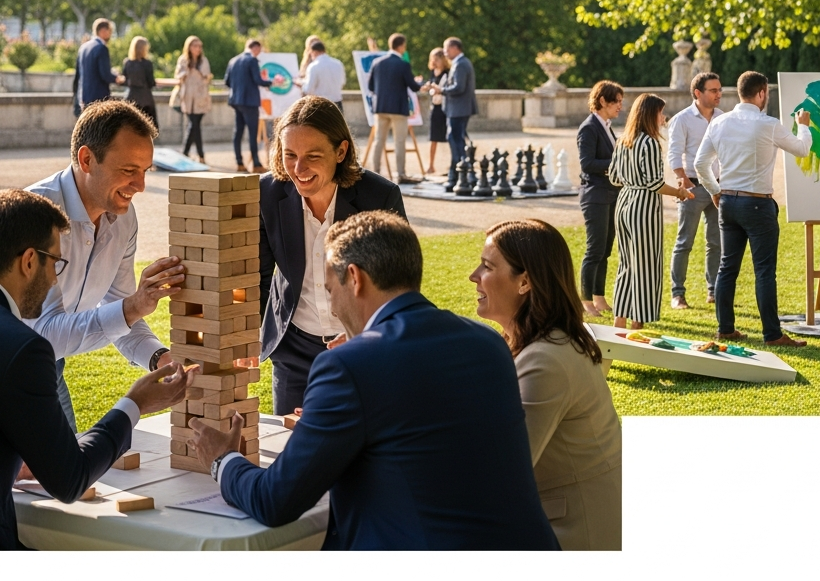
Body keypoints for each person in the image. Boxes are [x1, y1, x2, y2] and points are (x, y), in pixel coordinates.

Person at [189, 211, 559, 551]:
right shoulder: (487, 343)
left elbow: (276, 501)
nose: (333, 308)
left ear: (355, 278)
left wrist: (223, 459)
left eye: (331, 291)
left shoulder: (347, 366)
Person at [1, 187, 191, 550]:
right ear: (28, 261)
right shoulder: (23, 351)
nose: (56, 279)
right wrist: (134, 403)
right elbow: (70, 479)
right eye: (55, 263)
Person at [25, 101, 184, 429]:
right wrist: (132, 307)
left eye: (145, 171)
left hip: (45, 365)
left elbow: (118, 312)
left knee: (62, 473)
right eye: (129, 171)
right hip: (13, 366)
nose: (140, 186)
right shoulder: (34, 217)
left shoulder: (123, 220)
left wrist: (160, 359)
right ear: (86, 159)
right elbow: (42, 335)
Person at [469, 219, 622, 550]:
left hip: (572, 531)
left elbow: (502, 468)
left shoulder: (546, 359)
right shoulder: (538, 341)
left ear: (524, 282)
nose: (474, 277)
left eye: (486, 266)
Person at [258, 96, 407, 415]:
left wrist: (366, 337)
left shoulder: (380, 196)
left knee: (359, 454)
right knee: (292, 452)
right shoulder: (267, 193)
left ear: (341, 151)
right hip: (293, 351)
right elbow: (255, 275)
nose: (299, 169)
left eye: (313, 156)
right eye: (290, 155)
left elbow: (399, 288)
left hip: (361, 347)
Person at [694, 70, 812, 346]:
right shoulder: (768, 124)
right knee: (764, 270)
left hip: (728, 202)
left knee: (727, 268)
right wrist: (803, 125)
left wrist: (715, 191)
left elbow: (700, 164)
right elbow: (802, 149)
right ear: (761, 93)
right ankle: (772, 334)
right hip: (758, 203)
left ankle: (725, 328)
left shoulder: (719, 122)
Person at [608, 93, 693, 330]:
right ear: (650, 114)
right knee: (646, 265)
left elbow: (614, 178)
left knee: (626, 264)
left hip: (624, 201)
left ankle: (619, 323)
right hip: (643, 206)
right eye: (660, 112)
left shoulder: (622, 140)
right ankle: (637, 325)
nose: (663, 117)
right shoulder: (649, 143)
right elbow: (655, 184)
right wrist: (680, 193)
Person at [667, 71, 725, 309]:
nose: (718, 94)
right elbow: (674, 152)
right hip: (692, 186)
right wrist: (682, 179)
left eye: (720, 90)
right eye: (713, 90)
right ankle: (677, 294)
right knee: (684, 242)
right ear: (698, 93)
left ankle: (713, 291)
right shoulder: (682, 119)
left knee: (716, 242)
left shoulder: (723, 117)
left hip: (719, 188)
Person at [576, 80, 624, 317]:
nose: (620, 106)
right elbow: (587, 163)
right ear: (602, 100)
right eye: (616, 101)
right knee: (594, 249)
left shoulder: (606, 125)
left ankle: (599, 297)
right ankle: (585, 302)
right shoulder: (589, 127)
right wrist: (618, 163)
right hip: (594, 195)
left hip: (610, 193)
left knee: (605, 249)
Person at [367, 33, 423, 184]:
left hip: (381, 107)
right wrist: (420, 83)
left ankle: (374, 173)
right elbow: (413, 86)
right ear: (401, 46)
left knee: (379, 140)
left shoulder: (377, 62)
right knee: (399, 142)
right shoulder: (403, 64)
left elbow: (370, 86)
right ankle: (401, 174)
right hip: (398, 108)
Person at [224, 38, 279, 173]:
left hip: (236, 101)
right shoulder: (252, 60)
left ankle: (239, 161)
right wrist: (271, 83)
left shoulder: (233, 60)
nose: (258, 54)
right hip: (249, 102)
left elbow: (227, 81)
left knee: (238, 131)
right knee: (252, 132)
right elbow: (258, 80)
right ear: (255, 48)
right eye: (259, 51)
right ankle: (256, 162)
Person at [432, 37, 478, 187]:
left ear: (455, 48)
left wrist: (441, 90)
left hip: (458, 109)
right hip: (458, 109)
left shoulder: (461, 64)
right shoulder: (459, 63)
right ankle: (459, 174)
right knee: (456, 140)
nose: (445, 53)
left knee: (455, 140)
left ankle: (461, 174)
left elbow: (459, 87)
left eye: (446, 49)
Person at [72, 18, 124, 115]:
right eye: (110, 31)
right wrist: (117, 78)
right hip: (98, 99)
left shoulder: (83, 47)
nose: (111, 35)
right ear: (103, 31)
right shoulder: (102, 48)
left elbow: (78, 75)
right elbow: (105, 74)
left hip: (83, 98)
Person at [175, 35, 213, 164]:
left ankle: (186, 153)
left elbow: (207, 76)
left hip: (200, 97)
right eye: (195, 46)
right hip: (188, 97)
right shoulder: (183, 60)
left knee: (194, 125)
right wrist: (186, 70)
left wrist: (198, 71)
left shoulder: (203, 61)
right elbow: (179, 76)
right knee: (194, 125)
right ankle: (198, 155)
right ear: (189, 47)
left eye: (199, 46)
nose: (197, 49)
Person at [121, 35, 158, 129]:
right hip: (146, 99)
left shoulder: (127, 63)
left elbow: (125, 80)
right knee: (147, 128)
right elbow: (151, 82)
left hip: (131, 97)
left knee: (131, 127)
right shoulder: (147, 64)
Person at [425, 47, 449, 175]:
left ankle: (451, 165)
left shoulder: (448, 72)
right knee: (433, 137)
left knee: (448, 137)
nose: (434, 62)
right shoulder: (433, 72)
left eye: (436, 59)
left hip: (445, 107)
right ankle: (431, 165)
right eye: (432, 59)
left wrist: (435, 87)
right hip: (435, 107)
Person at [301, 40, 346, 109]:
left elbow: (309, 90)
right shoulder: (338, 63)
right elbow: (343, 82)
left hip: (320, 105)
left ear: (314, 52)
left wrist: (301, 85)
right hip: (337, 104)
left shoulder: (313, 66)